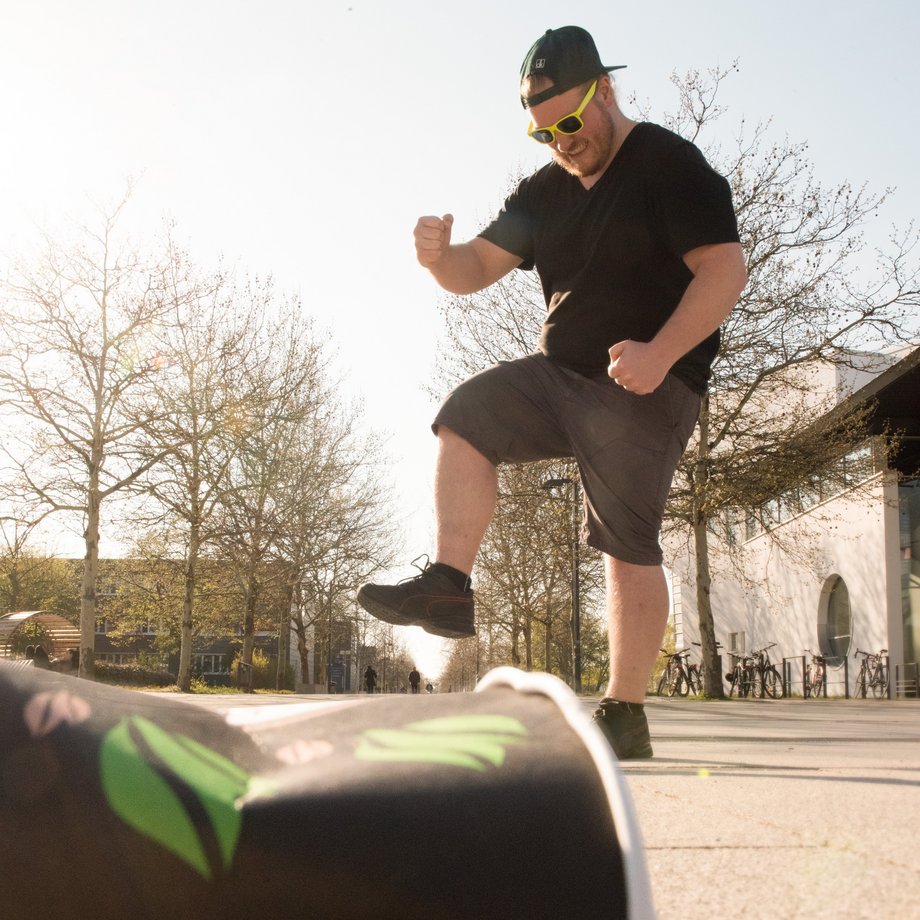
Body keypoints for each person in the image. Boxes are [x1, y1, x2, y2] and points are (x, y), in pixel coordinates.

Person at [357, 26, 746, 759]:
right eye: (543, 135)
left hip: (648, 382)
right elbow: (477, 266)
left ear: (605, 91)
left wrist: (662, 353)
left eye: (569, 124)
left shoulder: (668, 165)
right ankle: (448, 583)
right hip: (557, 378)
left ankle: (625, 714)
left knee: (623, 539)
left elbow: (724, 268)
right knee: (464, 415)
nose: (561, 144)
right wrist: (440, 260)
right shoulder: (544, 190)